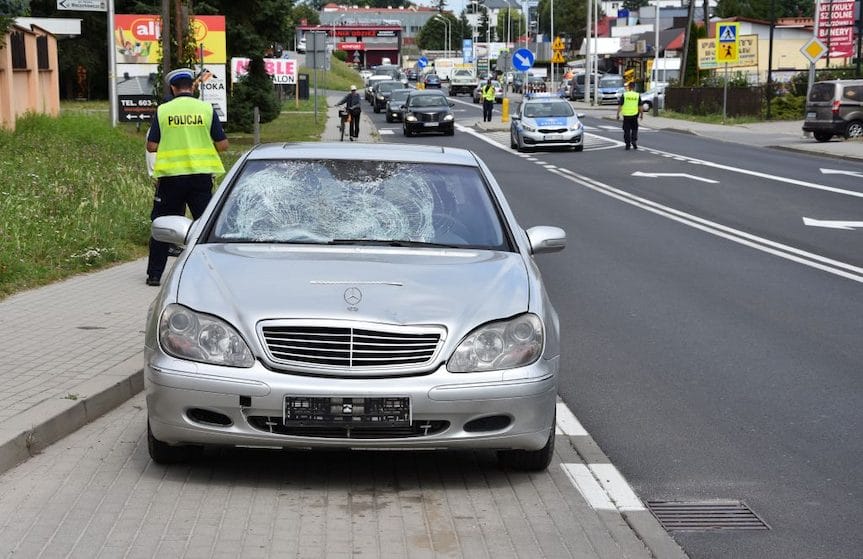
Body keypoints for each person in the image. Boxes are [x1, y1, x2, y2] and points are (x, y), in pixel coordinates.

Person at [144, 68, 229, 286]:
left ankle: (154, 275)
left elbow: (151, 146)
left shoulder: (163, 111)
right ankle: (215, 272)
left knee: (163, 225)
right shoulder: (206, 109)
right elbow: (223, 145)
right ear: (192, 87)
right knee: (207, 226)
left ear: (173, 88)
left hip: (171, 178)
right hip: (200, 178)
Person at [616, 81, 643, 150]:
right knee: (634, 129)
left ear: (628, 87)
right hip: (634, 115)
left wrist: (617, 114)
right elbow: (640, 106)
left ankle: (627, 144)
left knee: (626, 130)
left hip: (626, 115)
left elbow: (620, 105)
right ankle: (634, 141)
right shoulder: (637, 95)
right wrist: (641, 114)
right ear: (634, 87)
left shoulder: (624, 95)